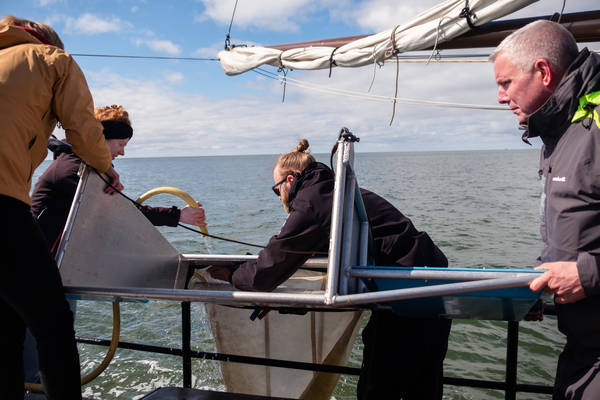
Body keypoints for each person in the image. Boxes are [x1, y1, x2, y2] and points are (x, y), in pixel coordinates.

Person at [207, 139, 452, 399]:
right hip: (428, 281)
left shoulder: (312, 202)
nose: (279, 197)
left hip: (407, 290)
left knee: (377, 388)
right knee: (423, 387)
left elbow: (268, 269)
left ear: (289, 181)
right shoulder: (332, 191)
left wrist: (233, 274)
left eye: (276, 189)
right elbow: (314, 254)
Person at [23, 104, 206, 381]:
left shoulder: (84, 167)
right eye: (120, 143)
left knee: (52, 342)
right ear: (101, 139)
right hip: (34, 272)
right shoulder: (72, 170)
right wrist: (178, 215)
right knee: (36, 348)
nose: (122, 151)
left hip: (55, 271)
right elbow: (121, 211)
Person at [0, 15, 122, 400]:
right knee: (52, 324)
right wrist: (107, 168)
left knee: (5, 325)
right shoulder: (52, 59)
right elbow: (84, 128)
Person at [490, 20, 600, 399]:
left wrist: (588, 273)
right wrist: (544, 280)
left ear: (543, 71)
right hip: (583, 348)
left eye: (505, 83)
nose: (500, 98)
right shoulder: (561, 132)